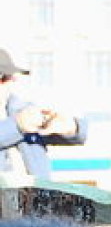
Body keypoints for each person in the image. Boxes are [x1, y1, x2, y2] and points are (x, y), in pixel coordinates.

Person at [0, 49, 87, 179]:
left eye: (9, 76)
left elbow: (81, 135)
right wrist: (16, 125)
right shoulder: (21, 117)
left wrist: (71, 127)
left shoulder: (22, 110)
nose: (10, 81)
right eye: (3, 77)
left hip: (36, 197)